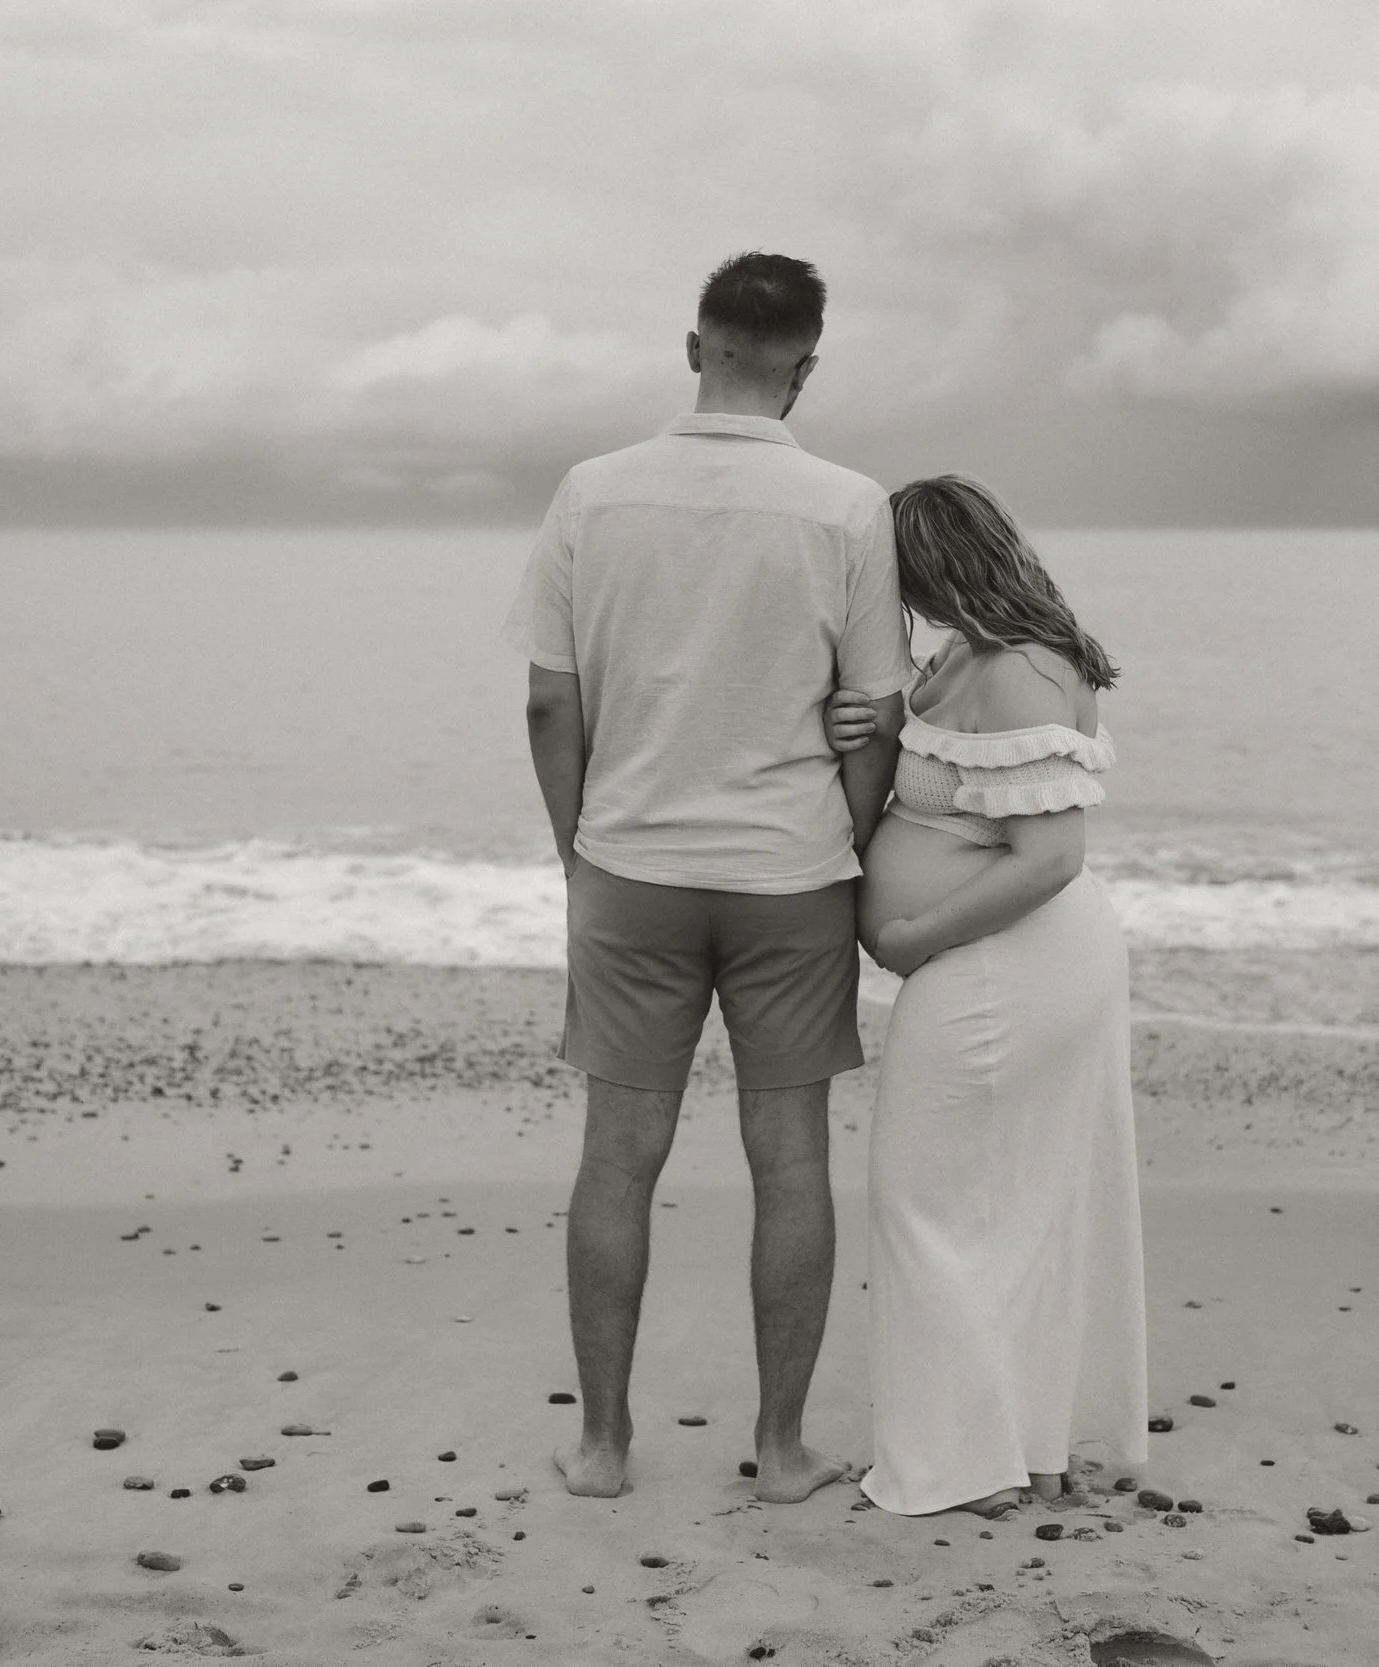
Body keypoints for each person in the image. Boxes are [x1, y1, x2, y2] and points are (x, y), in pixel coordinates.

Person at [503, 251, 915, 1502]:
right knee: (789, 1157)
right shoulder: (849, 507)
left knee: (616, 1157)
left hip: (631, 866)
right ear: (806, 366)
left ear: (695, 349)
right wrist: (843, 836)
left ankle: (604, 1447)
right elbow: (878, 712)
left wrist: (580, 852)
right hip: (790, 873)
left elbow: (544, 701)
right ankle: (783, 1450)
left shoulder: (592, 492)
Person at [823, 475, 1148, 1517]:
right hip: (999, 960)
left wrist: (911, 934)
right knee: (1002, 1204)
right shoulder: (962, 652)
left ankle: (961, 1461)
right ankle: (1019, 1448)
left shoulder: (1018, 669)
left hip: (1015, 963)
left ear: (933, 565)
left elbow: (1050, 855)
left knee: (922, 1198)